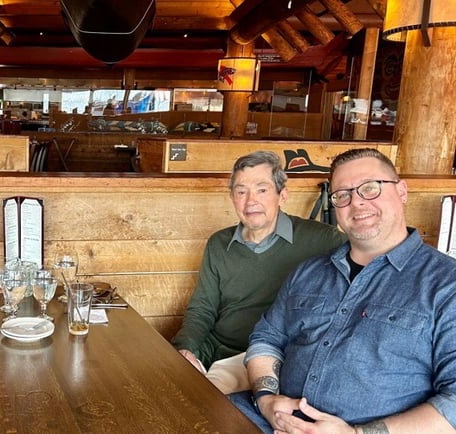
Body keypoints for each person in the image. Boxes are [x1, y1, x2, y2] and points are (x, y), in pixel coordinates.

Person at [231, 148, 456, 433]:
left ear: (402, 191)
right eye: (343, 195)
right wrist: (266, 400)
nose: (357, 202)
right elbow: (267, 338)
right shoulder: (309, 271)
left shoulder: (447, 285)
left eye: (370, 189)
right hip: (265, 420)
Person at [171, 151, 346, 377]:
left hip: (280, 359)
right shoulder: (219, 243)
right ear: (232, 197)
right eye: (241, 191)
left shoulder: (325, 240)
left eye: (262, 190)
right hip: (218, 350)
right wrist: (186, 348)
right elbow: (202, 309)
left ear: (282, 195)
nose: (250, 201)